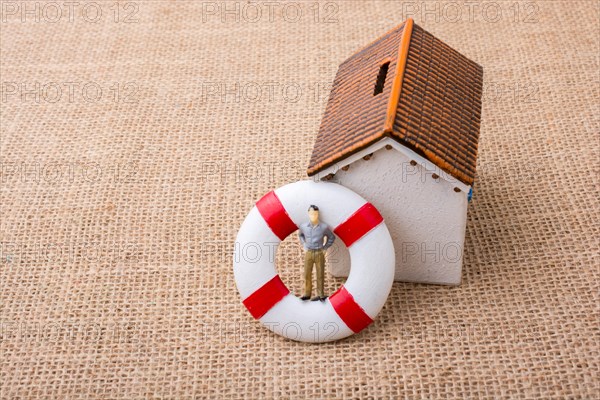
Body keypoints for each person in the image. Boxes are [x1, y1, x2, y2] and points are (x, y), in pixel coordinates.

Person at [297, 205, 335, 301]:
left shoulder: (323, 227)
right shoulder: (303, 226)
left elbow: (331, 237)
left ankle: (321, 294)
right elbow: (300, 235)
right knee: (307, 273)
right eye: (311, 213)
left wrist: (325, 247)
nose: (313, 215)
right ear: (308, 214)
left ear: (318, 214)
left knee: (320, 273)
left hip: (319, 252)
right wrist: (304, 244)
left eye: (315, 213)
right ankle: (307, 293)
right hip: (309, 252)